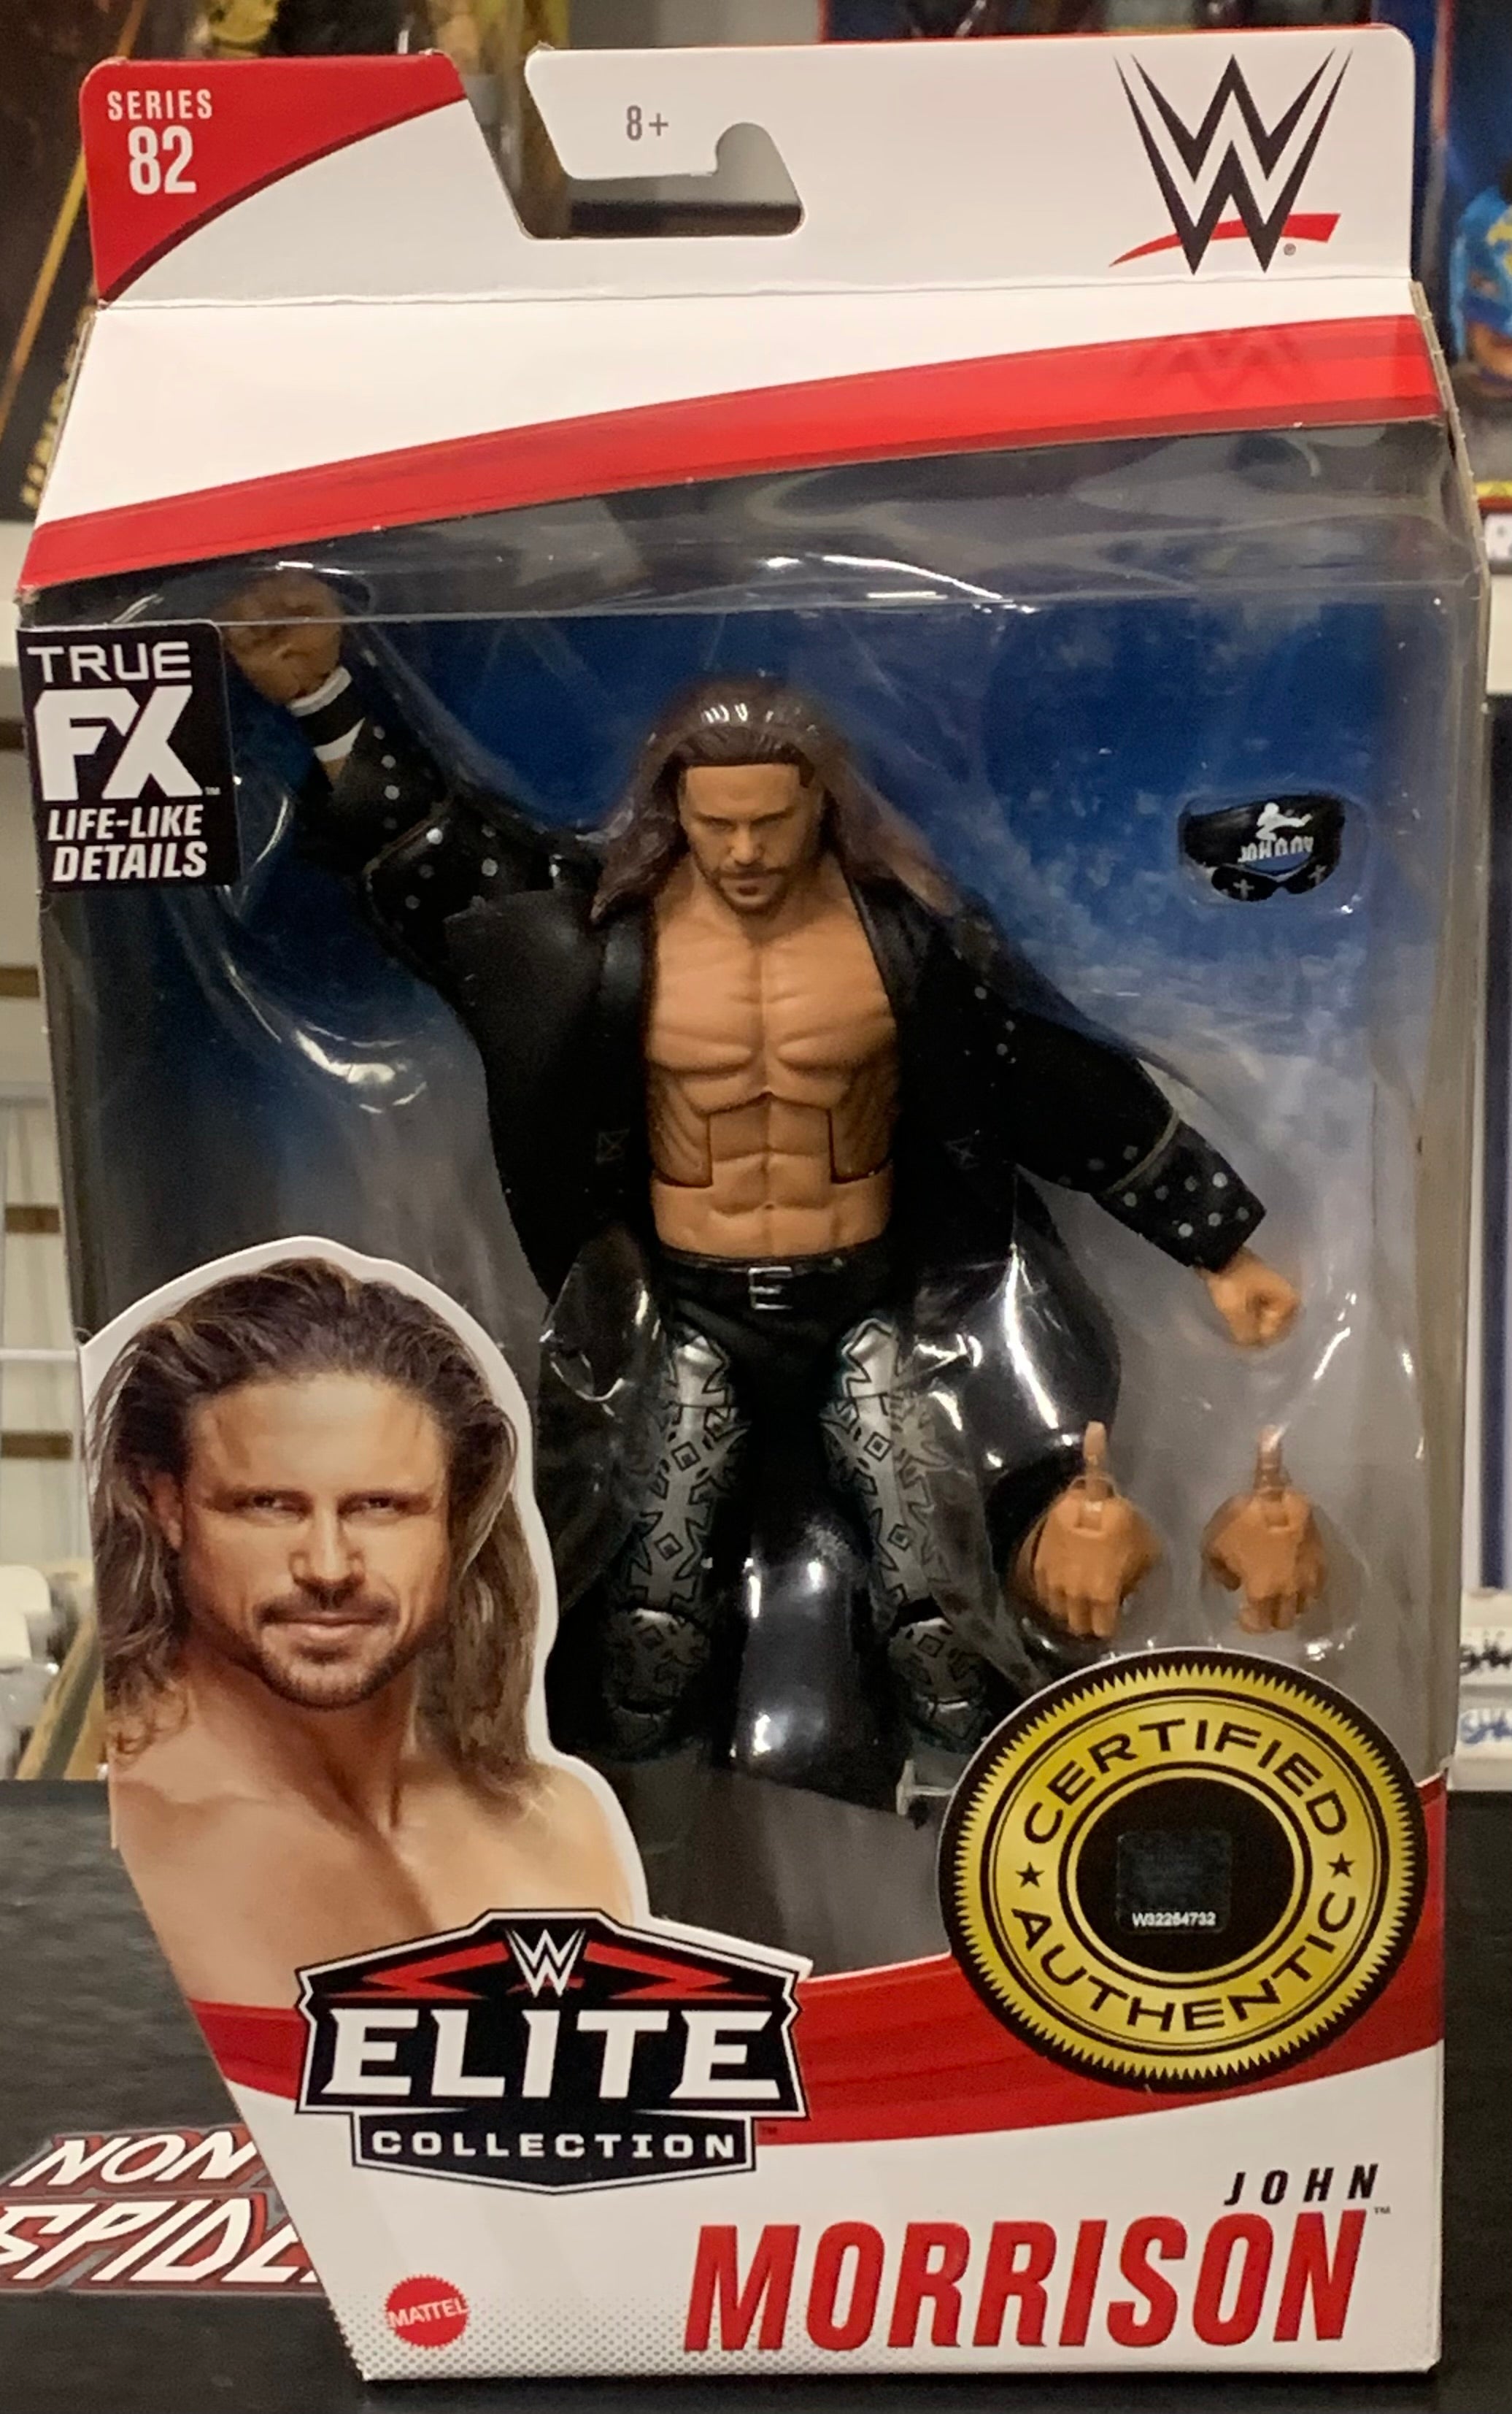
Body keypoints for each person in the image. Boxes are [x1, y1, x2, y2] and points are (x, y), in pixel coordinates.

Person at [223, 578, 1318, 1809]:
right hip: (683, 1311)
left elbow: (1051, 1076)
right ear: (673, 811)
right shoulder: (601, 939)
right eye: (716, 823)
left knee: (937, 1594)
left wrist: (1216, 1243)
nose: (743, 852)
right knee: (647, 1606)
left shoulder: (906, 942)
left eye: (769, 823)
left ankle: (986, 1825)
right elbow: (450, 862)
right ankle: (611, 1839)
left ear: (822, 806)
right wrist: (324, 695)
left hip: (871, 1302)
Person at [93, 1256, 636, 2010]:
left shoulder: (556, 1824)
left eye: (380, 1506)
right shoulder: (110, 1849)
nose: (328, 1566)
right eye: (268, 1505)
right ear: (167, 1506)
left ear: (458, 1512)